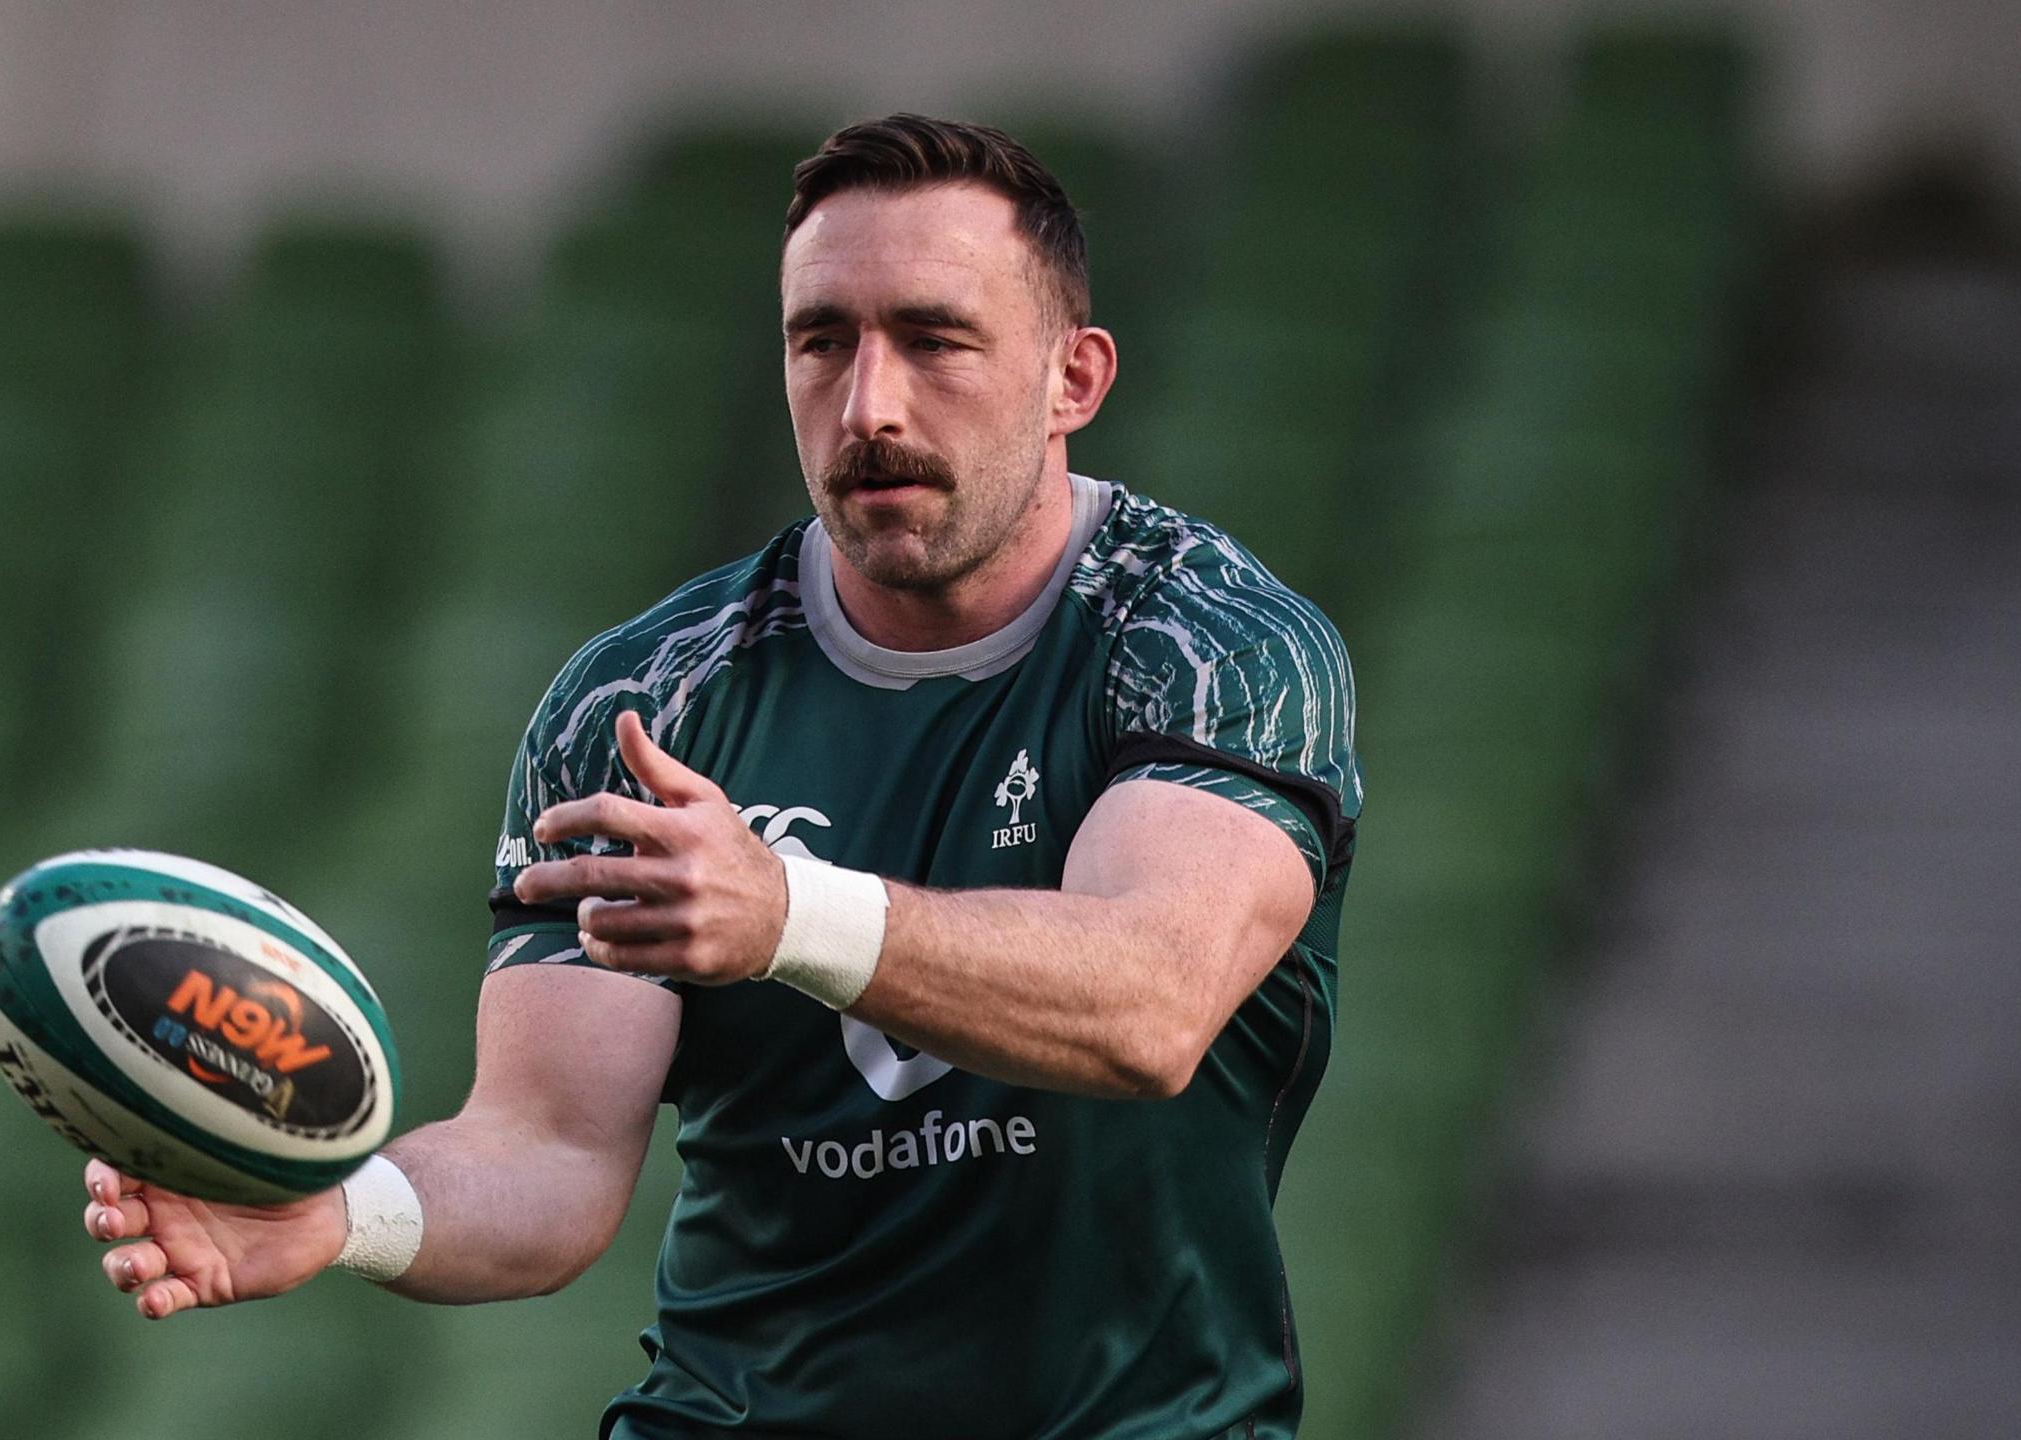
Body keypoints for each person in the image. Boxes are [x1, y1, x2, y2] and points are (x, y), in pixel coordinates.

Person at [82, 113, 1361, 1440]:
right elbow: (551, 1155)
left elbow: (1148, 1004)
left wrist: (785, 915)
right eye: (823, 341)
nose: (870, 405)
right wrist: (340, 1212)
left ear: (1071, 379)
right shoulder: (646, 704)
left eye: (935, 340)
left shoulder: (1211, 646)